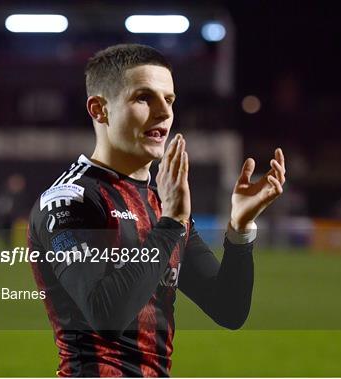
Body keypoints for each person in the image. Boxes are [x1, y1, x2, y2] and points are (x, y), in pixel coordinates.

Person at [28, 44, 286, 377]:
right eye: (143, 98)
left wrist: (239, 229)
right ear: (99, 109)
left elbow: (229, 309)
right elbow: (106, 317)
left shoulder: (163, 202)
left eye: (169, 100)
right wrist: (170, 225)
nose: (163, 113)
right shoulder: (69, 201)